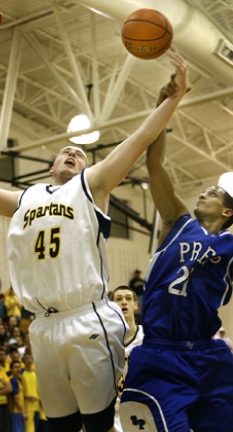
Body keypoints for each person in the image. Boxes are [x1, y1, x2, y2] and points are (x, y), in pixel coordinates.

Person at [0, 48, 188, 432]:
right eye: (66, 151)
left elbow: (140, 137)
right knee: (60, 426)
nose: (72, 154)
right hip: (43, 326)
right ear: (51, 166)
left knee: (99, 424)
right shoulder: (25, 197)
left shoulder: (91, 185)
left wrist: (171, 100)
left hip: (86, 318)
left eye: (79, 155)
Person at [120, 72, 233, 431]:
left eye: (214, 193)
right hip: (160, 352)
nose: (204, 192)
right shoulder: (176, 222)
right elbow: (155, 165)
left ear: (229, 212)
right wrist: (166, 105)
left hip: (209, 353)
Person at [112, 286, 144, 432]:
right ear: (110, 307)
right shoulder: (104, 340)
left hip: (142, 406)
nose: (124, 302)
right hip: (114, 412)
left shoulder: (148, 336)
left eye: (128, 298)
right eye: (118, 299)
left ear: (135, 305)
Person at [8, 360, 27, 432]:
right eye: (15, 367)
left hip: (18, 411)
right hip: (15, 411)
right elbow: (15, 398)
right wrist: (23, 411)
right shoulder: (13, 380)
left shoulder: (18, 380)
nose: (18, 369)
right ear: (11, 369)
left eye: (19, 367)